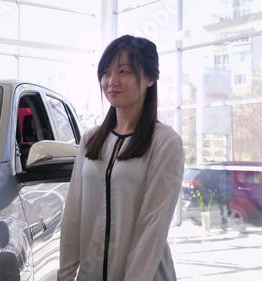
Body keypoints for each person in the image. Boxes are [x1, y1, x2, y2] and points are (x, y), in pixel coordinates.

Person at [57, 34, 185, 281]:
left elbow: (152, 228)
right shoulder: (90, 140)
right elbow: (73, 215)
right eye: (106, 73)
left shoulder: (165, 142)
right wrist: (65, 275)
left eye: (124, 72)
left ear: (149, 78)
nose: (111, 81)